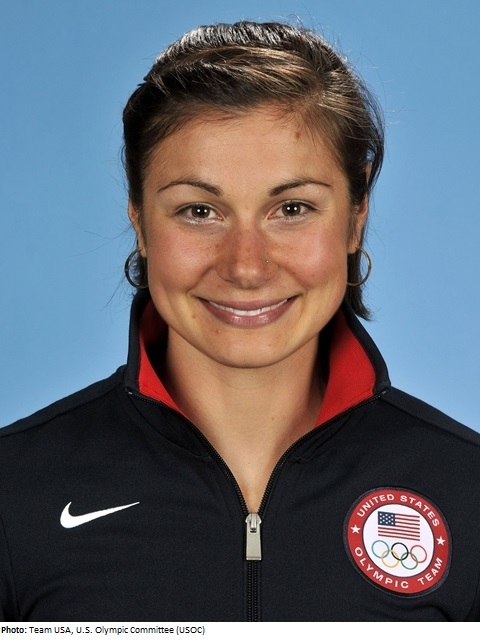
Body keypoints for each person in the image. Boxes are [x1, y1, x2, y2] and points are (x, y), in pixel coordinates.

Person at [1, 20, 479, 623]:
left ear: (356, 216)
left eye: (292, 208)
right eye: (199, 211)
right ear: (139, 220)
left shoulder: (466, 490)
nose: (246, 267)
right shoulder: (15, 492)